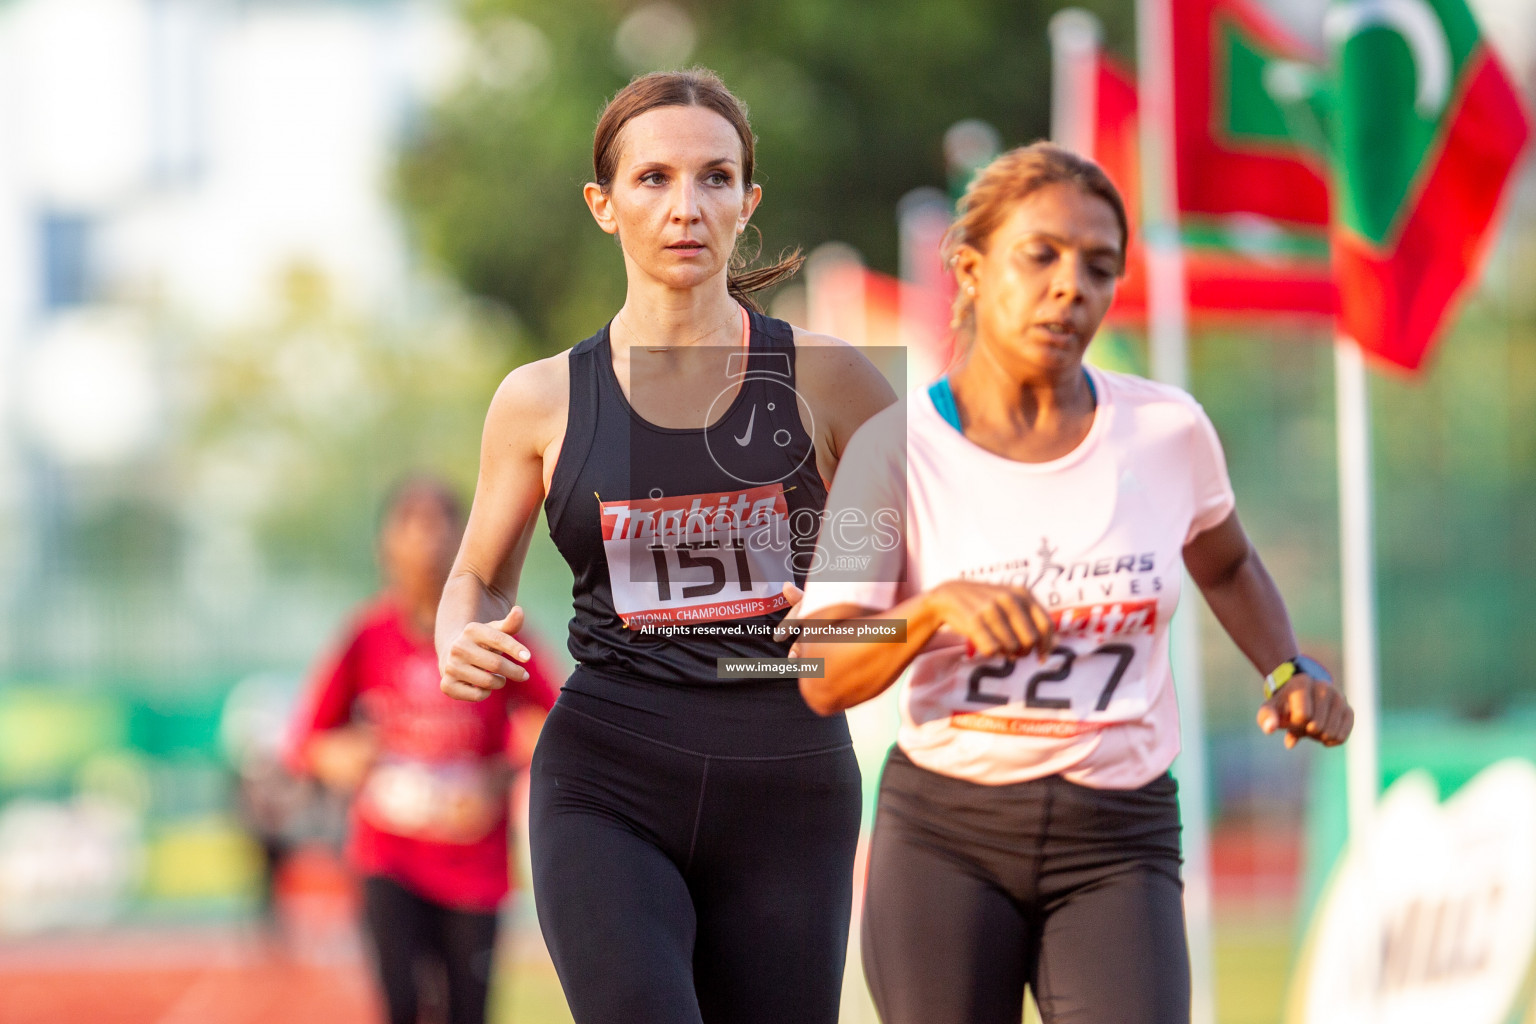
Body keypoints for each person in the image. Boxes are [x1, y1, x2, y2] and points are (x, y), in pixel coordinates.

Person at [794, 142, 1354, 1024]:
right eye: (1041, 255)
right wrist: (933, 609)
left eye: (1099, 267)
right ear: (972, 270)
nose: (1071, 287)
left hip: (1119, 840)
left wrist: (1288, 672)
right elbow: (821, 668)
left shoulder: (1166, 431)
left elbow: (1231, 564)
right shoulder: (895, 451)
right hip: (947, 839)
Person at [435, 68, 896, 1024]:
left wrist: (851, 629)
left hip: (790, 784)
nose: (687, 207)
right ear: (604, 205)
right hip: (609, 779)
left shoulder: (832, 379)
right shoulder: (540, 398)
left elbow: (908, 602)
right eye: (653, 179)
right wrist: (456, 627)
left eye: (715, 178)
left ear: (747, 199)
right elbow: (479, 579)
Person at [289, 476, 558, 1024]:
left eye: (440, 524)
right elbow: (308, 743)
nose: (426, 541)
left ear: (466, 539)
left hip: (474, 862)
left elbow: (555, 722)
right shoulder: (366, 636)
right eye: (409, 524)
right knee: (403, 1006)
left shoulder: (496, 632)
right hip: (389, 857)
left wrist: (508, 768)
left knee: (468, 1011)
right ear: (385, 544)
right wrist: (346, 757)